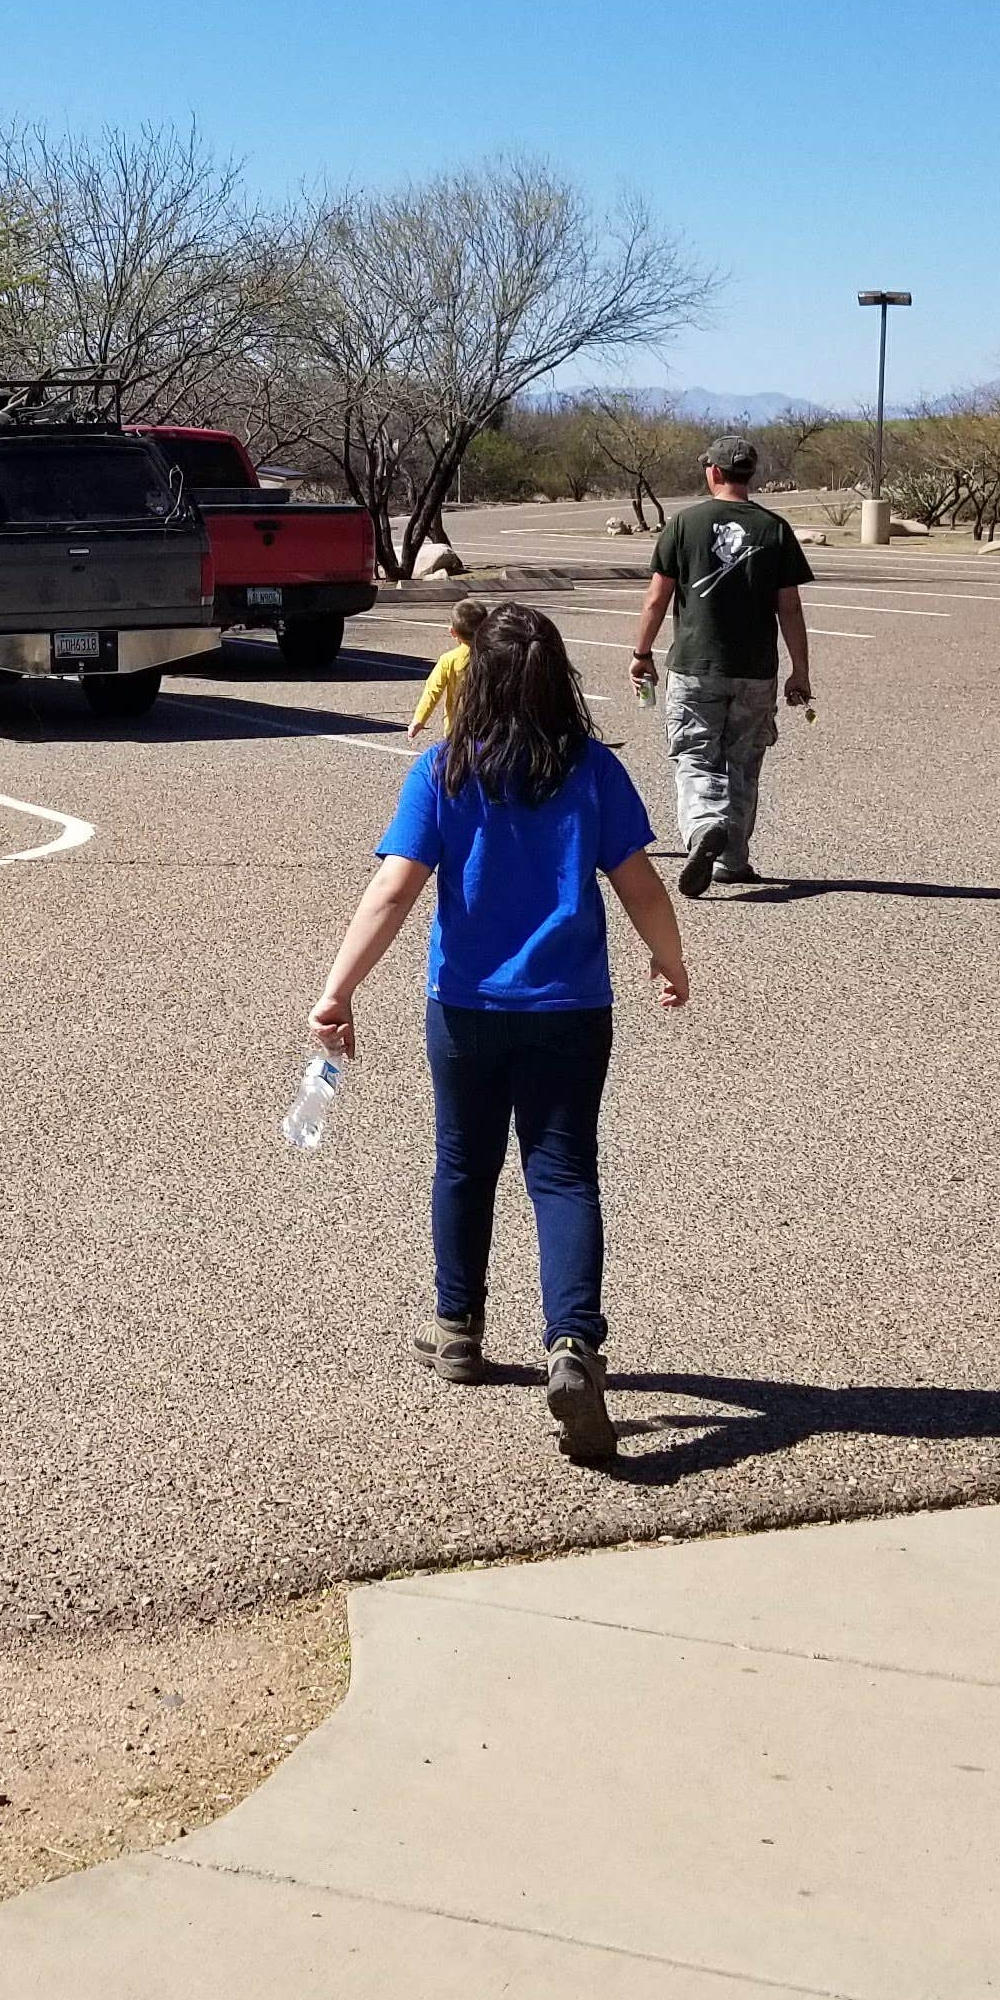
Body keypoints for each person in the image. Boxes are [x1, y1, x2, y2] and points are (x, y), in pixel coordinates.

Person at [310, 603, 690, 1465]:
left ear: (470, 682)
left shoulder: (444, 773)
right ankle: (574, 1345)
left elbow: (394, 891)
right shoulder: (590, 770)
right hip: (569, 1007)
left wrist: (337, 991)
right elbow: (638, 885)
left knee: (463, 1162)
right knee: (561, 1173)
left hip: (467, 1005)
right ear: (557, 680)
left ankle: (457, 1330)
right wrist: (668, 961)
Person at [626, 434, 814, 895]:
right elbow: (789, 607)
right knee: (744, 762)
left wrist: (641, 653)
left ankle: (705, 824)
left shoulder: (685, 524)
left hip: (695, 665)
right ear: (750, 475)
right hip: (756, 669)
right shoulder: (775, 529)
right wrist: (800, 670)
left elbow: (657, 598)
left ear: (713, 471)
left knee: (695, 754)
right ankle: (732, 857)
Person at [402, 598, 491, 741]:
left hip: (457, 727)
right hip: (490, 725)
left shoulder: (449, 660)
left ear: (453, 632)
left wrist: (419, 720)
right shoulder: (495, 656)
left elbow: (432, 690)